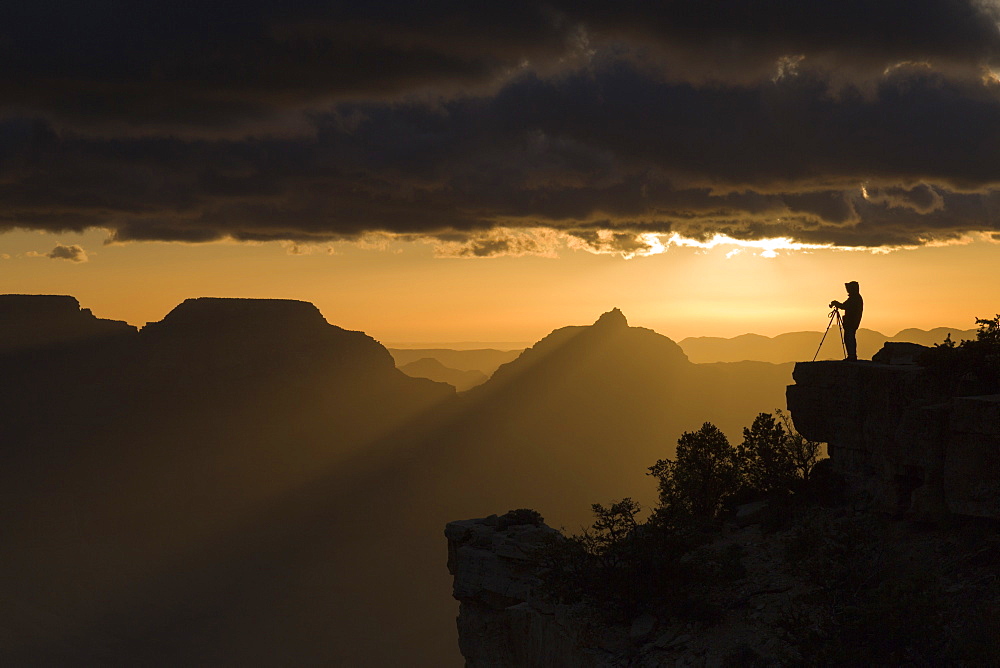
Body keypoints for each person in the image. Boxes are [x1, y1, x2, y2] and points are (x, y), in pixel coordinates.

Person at [830, 281, 863, 361]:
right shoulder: (856, 297)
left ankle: (852, 356)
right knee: (849, 337)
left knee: (849, 337)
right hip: (852, 322)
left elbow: (844, 306)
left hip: (851, 322)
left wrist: (836, 303)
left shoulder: (854, 298)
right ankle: (851, 355)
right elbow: (845, 306)